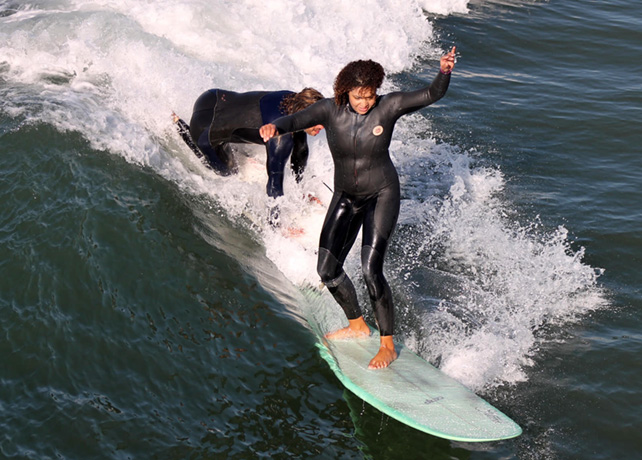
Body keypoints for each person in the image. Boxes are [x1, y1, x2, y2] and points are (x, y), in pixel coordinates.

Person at [260, 47, 457, 369]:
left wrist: (444, 71)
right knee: (326, 269)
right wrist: (276, 128)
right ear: (345, 91)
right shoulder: (329, 110)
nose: (364, 103)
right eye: (358, 96)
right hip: (346, 196)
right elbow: (296, 119)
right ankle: (357, 324)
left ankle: (387, 344)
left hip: (381, 194)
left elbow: (431, 94)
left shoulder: (389, 106)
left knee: (370, 269)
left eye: (369, 96)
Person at [173, 88, 324, 198]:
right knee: (227, 171)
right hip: (204, 128)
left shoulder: (293, 100)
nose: (322, 127)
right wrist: (277, 228)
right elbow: (274, 187)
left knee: (298, 141)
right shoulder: (280, 139)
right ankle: (178, 125)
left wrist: (300, 189)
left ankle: (229, 145)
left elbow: (301, 151)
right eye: (317, 122)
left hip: (212, 96)